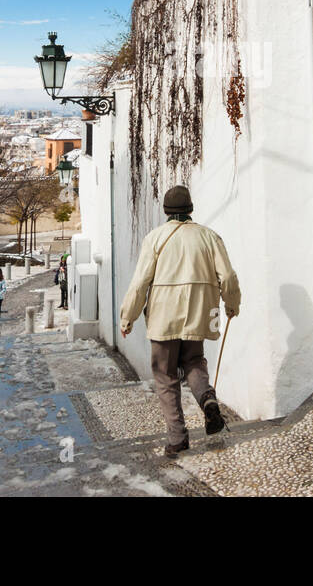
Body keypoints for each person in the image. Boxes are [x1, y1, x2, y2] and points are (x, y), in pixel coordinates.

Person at [119, 185, 240, 457]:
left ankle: (178, 438)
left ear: (166, 211)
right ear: (190, 209)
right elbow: (228, 277)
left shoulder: (155, 239)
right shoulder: (210, 237)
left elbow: (140, 283)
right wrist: (232, 305)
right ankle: (207, 398)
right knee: (195, 361)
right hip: (199, 312)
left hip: (164, 318)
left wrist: (128, 318)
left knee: (166, 375)